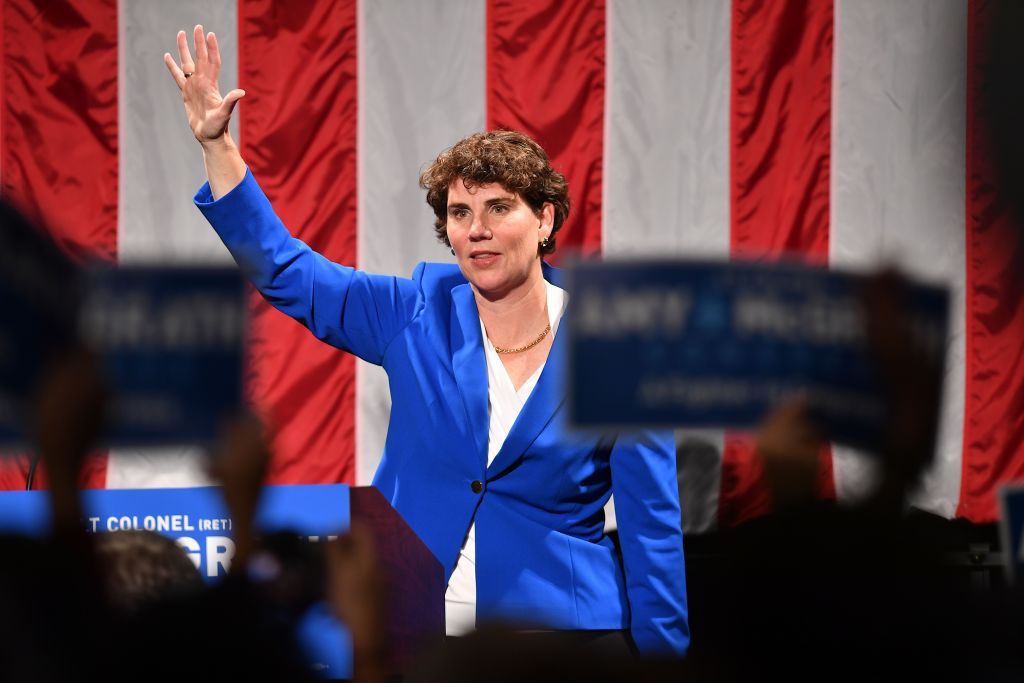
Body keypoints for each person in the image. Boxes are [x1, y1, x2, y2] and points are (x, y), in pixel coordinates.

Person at [163, 25, 688, 656]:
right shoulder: (415, 309)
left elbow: (651, 528)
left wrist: (664, 664)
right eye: (460, 214)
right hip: (414, 627)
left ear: (544, 219)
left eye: (499, 208)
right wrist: (218, 147)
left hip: (559, 639)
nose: (478, 231)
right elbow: (284, 270)